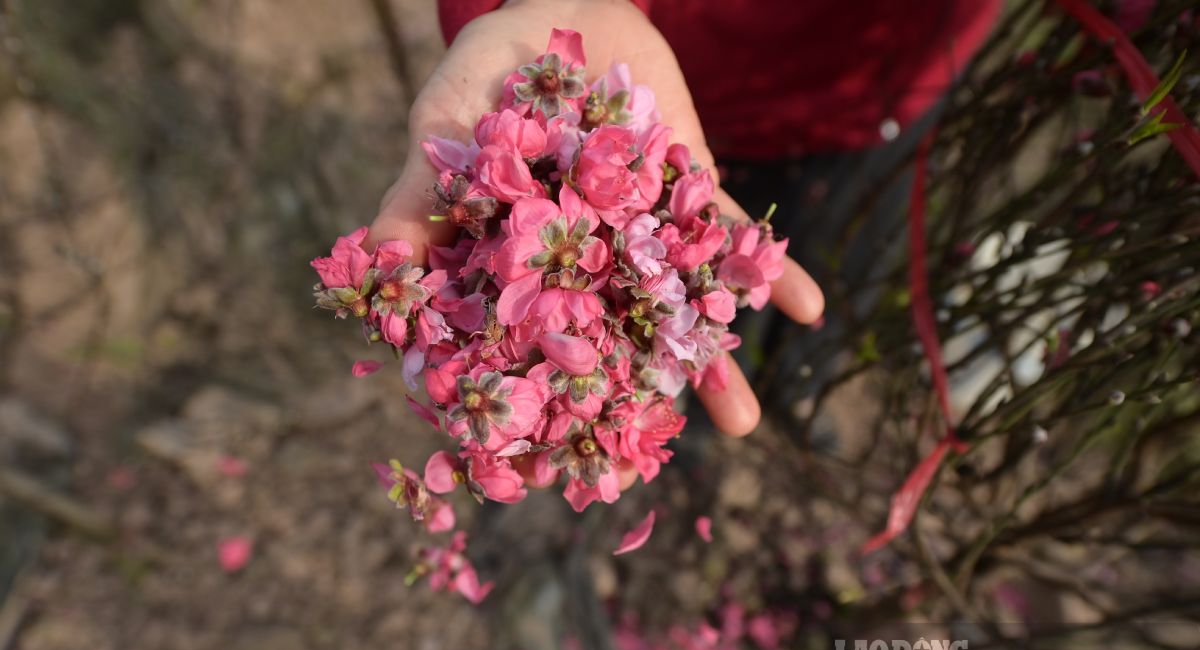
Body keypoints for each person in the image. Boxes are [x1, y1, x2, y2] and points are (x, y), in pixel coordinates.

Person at [366, 0, 1000, 441]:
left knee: (839, 276)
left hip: (892, 88)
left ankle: (805, 391)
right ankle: (700, 436)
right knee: (730, 345)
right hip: (698, 74)